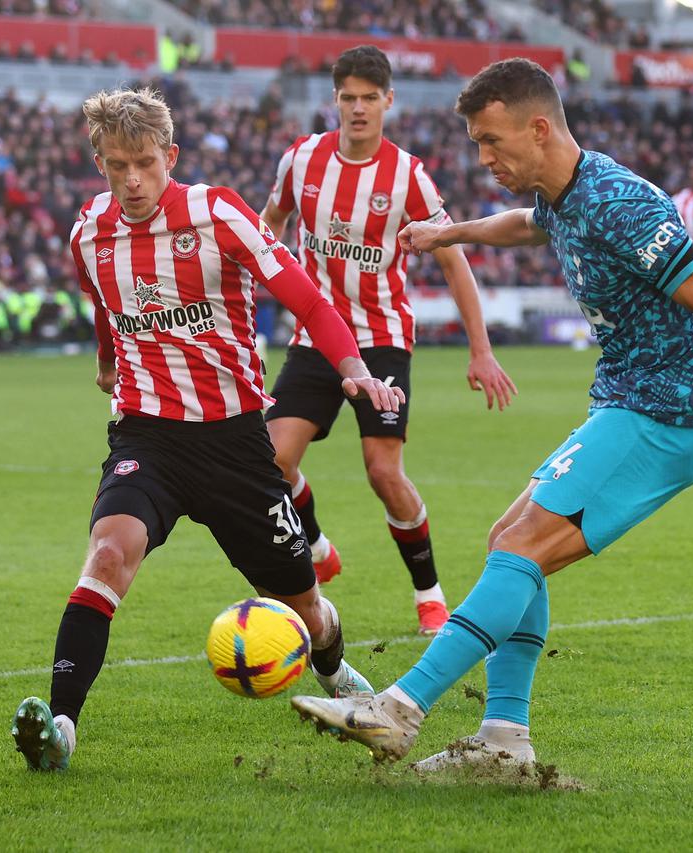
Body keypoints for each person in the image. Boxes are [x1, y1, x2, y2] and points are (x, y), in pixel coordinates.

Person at [291, 58, 693, 771]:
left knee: (520, 546)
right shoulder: (562, 193)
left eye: (492, 142)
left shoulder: (623, 202)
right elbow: (528, 225)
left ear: (539, 128)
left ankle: (397, 707)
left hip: (666, 413)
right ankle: (504, 743)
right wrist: (449, 233)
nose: (483, 157)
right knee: (510, 542)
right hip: (628, 402)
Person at [11, 87, 404, 772]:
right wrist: (109, 362)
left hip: (235, 445)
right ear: (97, 161)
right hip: (146, 437)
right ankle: (62, 727)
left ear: (171, 156)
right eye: (115, 166)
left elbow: (307, 298)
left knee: (306, 605)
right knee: (108, 554)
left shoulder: (218, 213)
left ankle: (335, 672)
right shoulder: (88, 233)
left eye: (144, 163)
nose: (131, 180)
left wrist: (355, 369)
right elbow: (107, 308)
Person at [259, 45, 517, 636]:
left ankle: (429, 593)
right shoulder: (300, 161)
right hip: (314, 337)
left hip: (381, 338)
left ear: (388, 102)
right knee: (271, 462)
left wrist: (480, 349)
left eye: (369, 98)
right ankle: (318, 547)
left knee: (382, 471)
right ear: (335, 101)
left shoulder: (408, 176)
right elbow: (269, 225)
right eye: (347, 98)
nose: (357, 108)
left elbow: (453, 262)